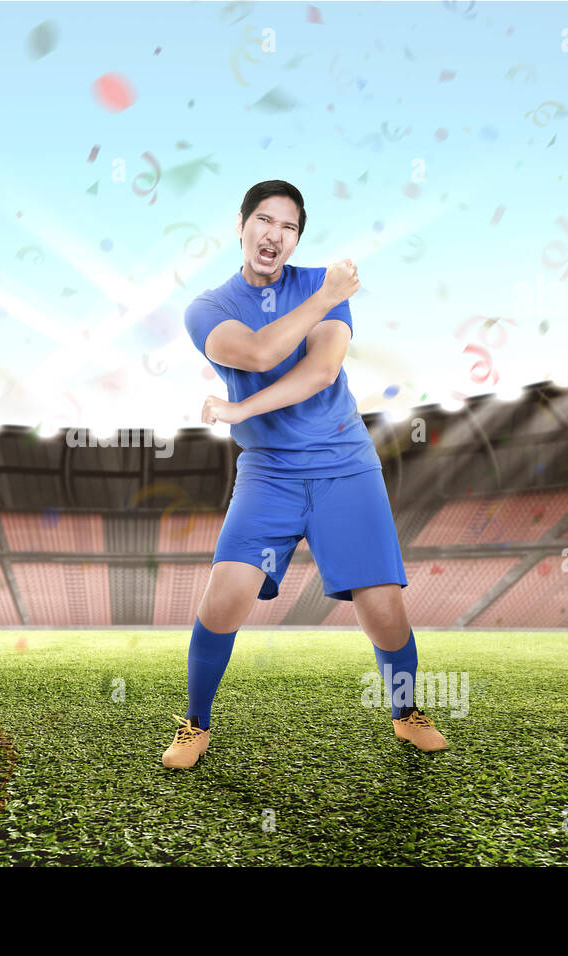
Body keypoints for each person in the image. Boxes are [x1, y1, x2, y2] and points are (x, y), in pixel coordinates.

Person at [163, 180, 448, 769]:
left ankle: (405, 710)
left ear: (297, 239)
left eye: (288, 227)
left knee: (383, 607)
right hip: (269, 472)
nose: (274, 235)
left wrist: (241, 410)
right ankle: (195, 723)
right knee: (226, 597)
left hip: (345, 464)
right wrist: (323, 298)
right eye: (264, 221)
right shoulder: (207, 309)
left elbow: (321, 372)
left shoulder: (321, 283)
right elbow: (262, 353)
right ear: (240, 226)